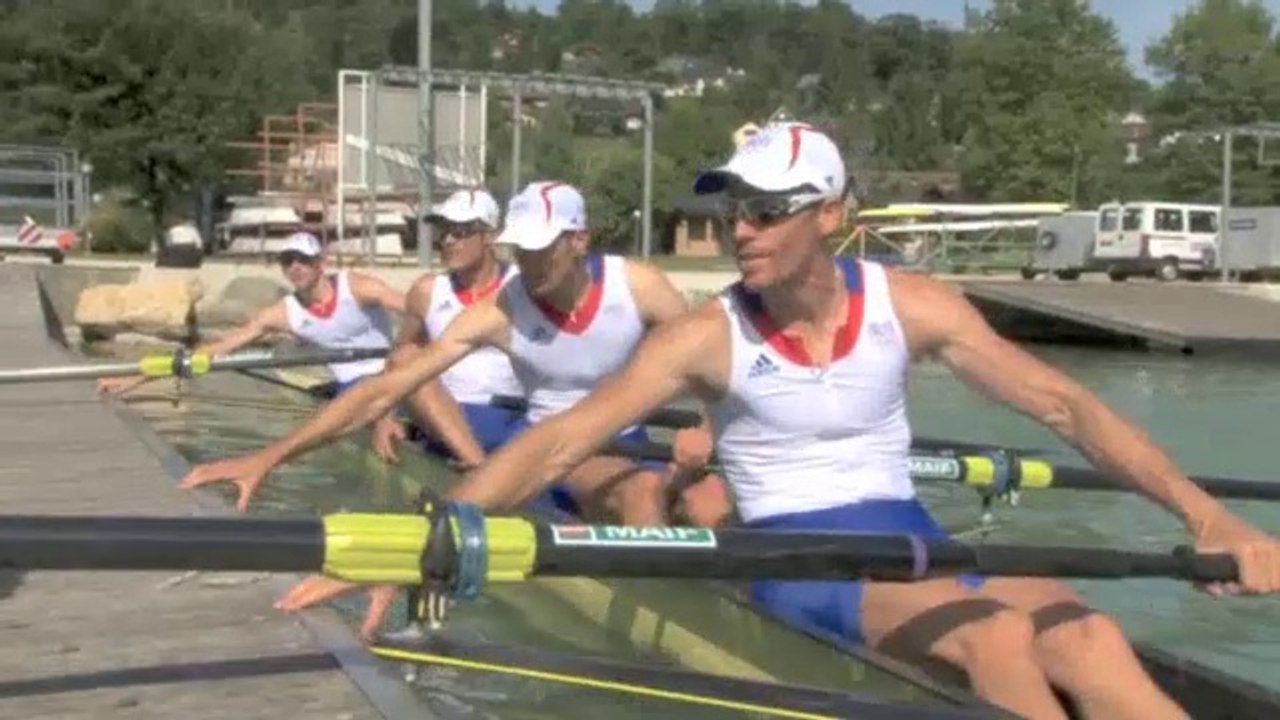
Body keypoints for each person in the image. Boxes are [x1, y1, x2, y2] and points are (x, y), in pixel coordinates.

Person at [281, 124, 1280, 718]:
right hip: (792, 553)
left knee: (1090, 633)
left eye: (764, 211)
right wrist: (416, 543)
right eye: (729, 213)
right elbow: (557, 441)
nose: (738, 231)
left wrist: (1204, 517)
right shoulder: (706, 335)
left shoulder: (914, 304)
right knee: (998, 642)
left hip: (904, 535)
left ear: (830, 217)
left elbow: (1063, 403)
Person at [180, 180, 730, 533]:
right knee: (644, 491)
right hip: (556, 450)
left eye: (543, 246)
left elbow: (710, 366)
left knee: (714, 505)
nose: (530, 261)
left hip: (628, 439)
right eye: (522, 247)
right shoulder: (502, 311)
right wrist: (270, 457)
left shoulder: (641, 286)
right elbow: (388, 386)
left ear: (579, 240)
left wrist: (705, 426)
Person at [369, 188, 525, 469]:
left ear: (490, 236)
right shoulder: (427, 291)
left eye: (460, 232)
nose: (448, 241)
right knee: (406, 358)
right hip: (444, 416)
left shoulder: (522, 286)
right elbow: (394, 363)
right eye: (444, 232)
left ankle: (483, 476)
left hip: (512, 417)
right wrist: (385, 417)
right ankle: (480, 471)